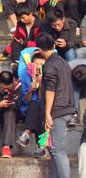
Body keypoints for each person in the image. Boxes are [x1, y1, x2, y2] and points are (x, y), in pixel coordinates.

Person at [38, 32, 74, 178]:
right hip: (67, 107)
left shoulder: (49, 65)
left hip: (58, 110)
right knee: (53, 149)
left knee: (57, 149)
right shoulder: (63, 62)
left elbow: (51, 90)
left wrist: (48, 113)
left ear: (40, 49)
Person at [16, 50, 47, 158]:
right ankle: (42, 147)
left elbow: (44, 98)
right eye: (36, 64)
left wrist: (41, 85)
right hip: (27, 109)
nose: (38, 66)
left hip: (43, 108)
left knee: (39, 107)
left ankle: (26, 133)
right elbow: (25, 100)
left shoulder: (48, 76)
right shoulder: (25, 75)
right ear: (31, 64)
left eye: (41, 64)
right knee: (35, 105)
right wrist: (30, 90)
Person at [0, 3, 42, 67]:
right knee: (15, 44)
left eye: (23, 18)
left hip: (37, 50)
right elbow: (16, 39)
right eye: (20, 18)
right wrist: (4, 53)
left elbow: (40, 43)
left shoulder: (40, 25)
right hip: (24, 49)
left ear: (30, 14)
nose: (22, 20)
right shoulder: (20, 24)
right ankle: (16, 63)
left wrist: (25, 43)